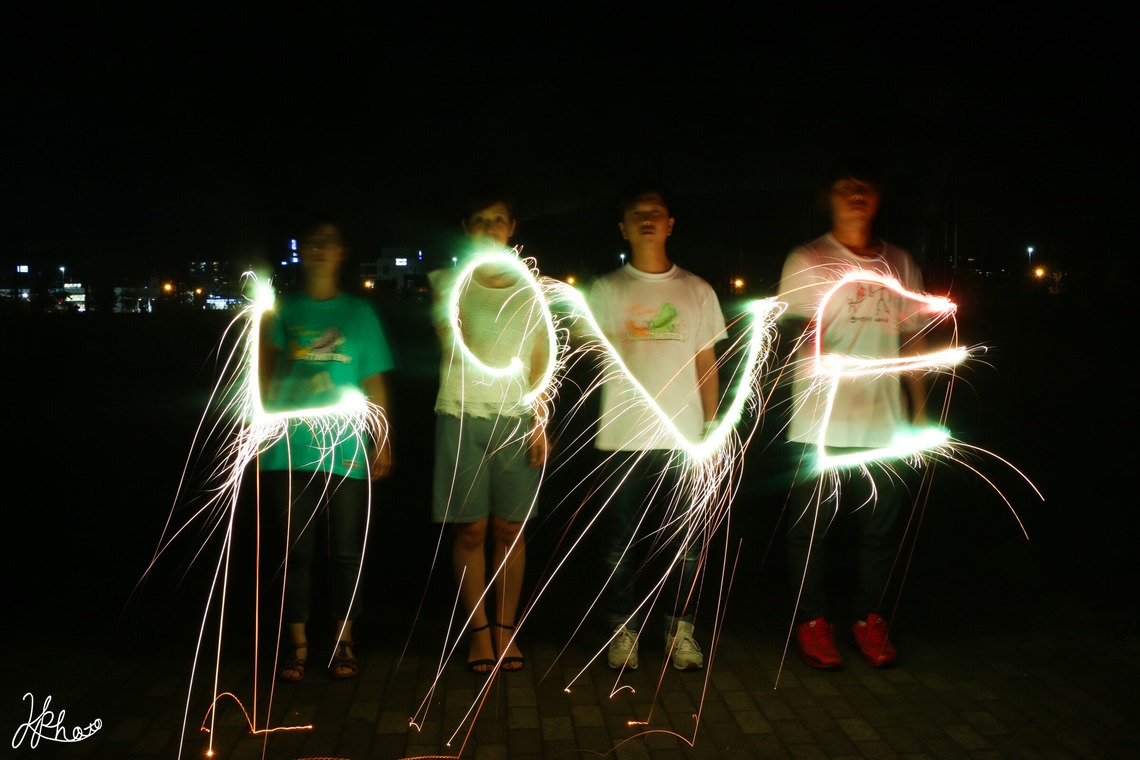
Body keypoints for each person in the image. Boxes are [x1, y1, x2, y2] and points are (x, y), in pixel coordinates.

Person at [776, 159, 931, 670]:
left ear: (878, 196)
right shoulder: (808, 258)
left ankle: (869, 619)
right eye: (845, 187)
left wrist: (921, 414)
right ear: (829, 198)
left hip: (885, 424)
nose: (856, 195)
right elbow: (792, 336)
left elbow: (913, 343)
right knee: (810, 530)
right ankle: (813, 622)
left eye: (865, 186)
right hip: (821, 423)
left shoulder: (901, 263)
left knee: (881, 530)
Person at [587, 180, 727, 671]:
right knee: (619, 543)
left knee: (685, 543)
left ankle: (679, 630)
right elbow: (587, 359)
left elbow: (705, 362)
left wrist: (711, 427)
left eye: (657, 210)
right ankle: (623, 630)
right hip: (623, 438)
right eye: (637, 211)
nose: (647, 217)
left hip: (683, 440)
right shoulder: (605, 290)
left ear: (670, 224)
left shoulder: (696, 290)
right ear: (623, 227)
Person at [258, 220, 395, 681]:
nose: (319, 248)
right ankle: (297, 646)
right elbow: (263, 376)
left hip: (346, 450)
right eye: (311, 241)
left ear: (342, 252)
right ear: (302, 252)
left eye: (328, 241)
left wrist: (384, 440)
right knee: (296, 552)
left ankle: (343, 642)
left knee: (345, 553)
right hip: (290, 451)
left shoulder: (359, 314)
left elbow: (374, 380)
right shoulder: (284, 310)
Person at [429, 189, 551, 674]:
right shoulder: (447, 282)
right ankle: (478, 633)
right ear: (466, 226)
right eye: (478, 220)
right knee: (472, 529)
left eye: (497, 220)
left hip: (517, 417)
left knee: (510, 528)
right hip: (461, 413)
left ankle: (506, 630)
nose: (488, 228)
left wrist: (542, 420)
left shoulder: (533, 288)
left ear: (511, 228)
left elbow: (542, 352)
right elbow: (450, 338)